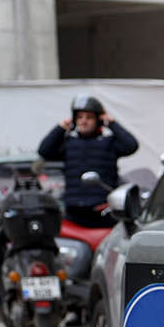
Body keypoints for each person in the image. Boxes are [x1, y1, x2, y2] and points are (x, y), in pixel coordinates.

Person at [37, 94, 138, 227]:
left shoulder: (110, 143)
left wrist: (111, 123)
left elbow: (132, 146)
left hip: (104, 212)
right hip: (74, 212)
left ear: (98, 120)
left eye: (89, 117)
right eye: (79, 117)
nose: (83, 121)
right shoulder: (68, 143)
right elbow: (44, 151)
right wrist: (61, 127)